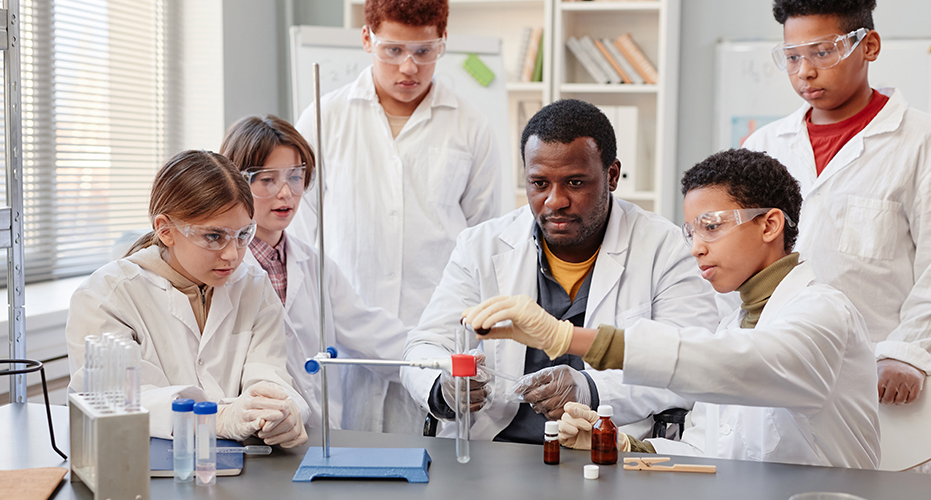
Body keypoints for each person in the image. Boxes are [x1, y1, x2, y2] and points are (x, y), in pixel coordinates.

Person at [467, 148, 880, 469]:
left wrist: (567, 337)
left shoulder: (824, 312)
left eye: (712, 226)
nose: (696, 246)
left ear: (770, 225)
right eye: (692, 230)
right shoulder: (734, 323)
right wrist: (623, 444)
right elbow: (707, 448)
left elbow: (743, 364)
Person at [401, 99, 719, 444]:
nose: (555, 201)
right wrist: (444, 386)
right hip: (494, 451)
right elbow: (425, 345)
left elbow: (688, 365)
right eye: (539, 184)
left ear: (611, 176)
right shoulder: (480, 245)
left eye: (575, 183)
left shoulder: (665, 247)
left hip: (606, 453)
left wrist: (590, 389)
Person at [293, 0, 503, 434]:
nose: (409, 67)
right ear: (367, 38)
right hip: (348, 348)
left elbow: (484, 242)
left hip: (436, 344)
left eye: (424, 52)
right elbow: (303, 236)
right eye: (393, 50)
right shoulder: (323, 118)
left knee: (436, 476)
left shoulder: (472, 126)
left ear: (443, 44)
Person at [743, 0, 931, 406]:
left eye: (822, 52)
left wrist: (908, 353)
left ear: (868, 46)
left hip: (880, 377)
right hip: (777, 366)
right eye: (792, 57)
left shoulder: (923, 141)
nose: (805, 71)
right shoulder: (763, 146)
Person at [65, 150, 309, 448]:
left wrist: (284, 413)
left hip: (244, 469)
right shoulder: (108, 294)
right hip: (144, 469)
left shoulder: (253, 286)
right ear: (166, 230)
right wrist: (216, 419)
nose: (232, 254)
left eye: (243, 235)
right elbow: (113, 398)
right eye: (213, 236)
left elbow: (270, 376)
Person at [220, 115, 411, 431]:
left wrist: (439, 359)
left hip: (317, 433)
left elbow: (369, 330)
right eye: (268, 179)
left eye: (296, 177)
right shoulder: (222, 268)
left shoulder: (314, 264)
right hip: (248, 434)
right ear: (236, 182)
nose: (286, 193)